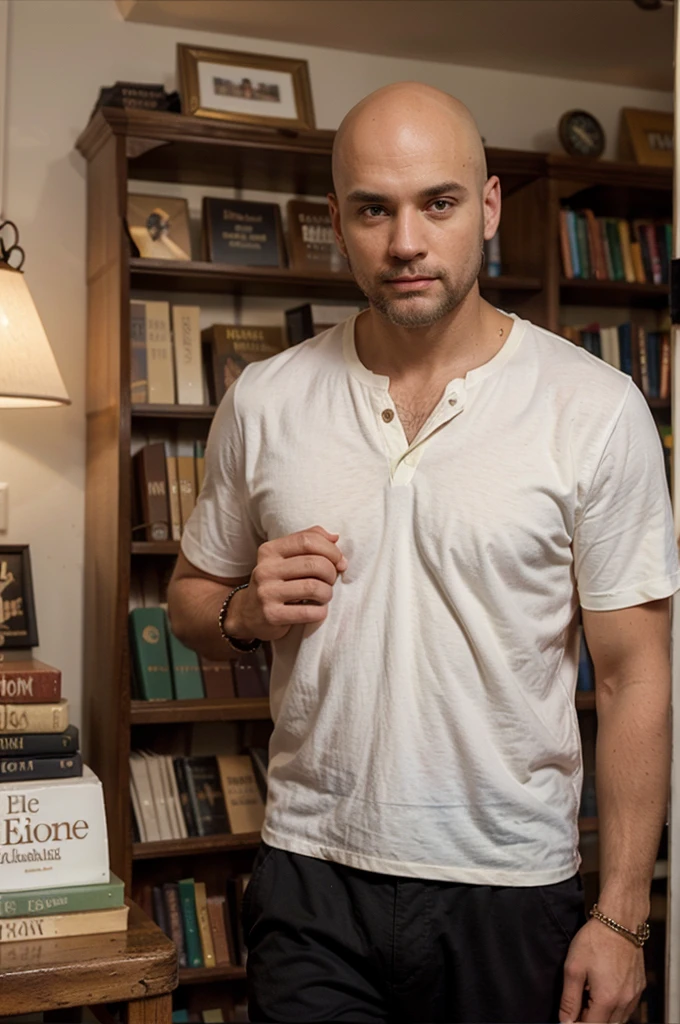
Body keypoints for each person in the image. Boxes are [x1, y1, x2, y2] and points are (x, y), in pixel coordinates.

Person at [167, 82, 678, 1024]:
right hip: (310, 876)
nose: (406, 241)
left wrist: (625, 917)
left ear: (486, 210)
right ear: (336, 222)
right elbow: (192, 599)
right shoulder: (265, 399)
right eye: (374, 209)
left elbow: (637, 676)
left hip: (513, 888)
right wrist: (243, 612)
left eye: (438, 203)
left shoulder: (596, 411)